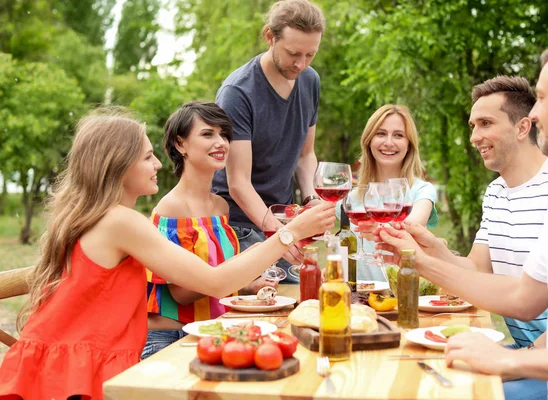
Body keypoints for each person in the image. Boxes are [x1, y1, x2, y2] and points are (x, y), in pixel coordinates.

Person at [0, 109, 335, 399]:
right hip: (76, 372)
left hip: (62, 364)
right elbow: (215, 282)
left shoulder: (95, 215)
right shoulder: (120, 222)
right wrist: (292, 231)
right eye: (147, 156)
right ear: (117, 163)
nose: (158, 163)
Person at [377, 30, 548, 400]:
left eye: (542, 98)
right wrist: (418, 259)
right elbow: (522, 297)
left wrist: (513, 362)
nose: (536, 111)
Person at [142, 102, 276, 360]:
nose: (221, 142)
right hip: (172, 340)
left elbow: (219, 279)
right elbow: (182, 293)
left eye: (224, 134)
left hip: (212, 333)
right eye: (208, 134)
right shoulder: (171, 209)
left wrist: (249, 285)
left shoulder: (221, 206)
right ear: (180, 144)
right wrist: (253, 257)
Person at [211, 0, 325, 282]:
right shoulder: (238, 92)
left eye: (311, 54)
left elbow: (305, 155)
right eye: (293, 53)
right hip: (239, 226)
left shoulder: (310, 81)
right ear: (270, 37)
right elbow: (238, 183)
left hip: (283, 219)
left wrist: (310, 198)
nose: (301, 64)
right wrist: (283, 235)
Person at [351, 104, 438, 282]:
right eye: (381, 133)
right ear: (369, 141)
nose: (389, 142)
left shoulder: (421, 191)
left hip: (405, 294)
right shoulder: (353, 195)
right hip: (359, 298)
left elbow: (410, 229)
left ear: (409, 145)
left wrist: (380, 230)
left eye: (398, 135)